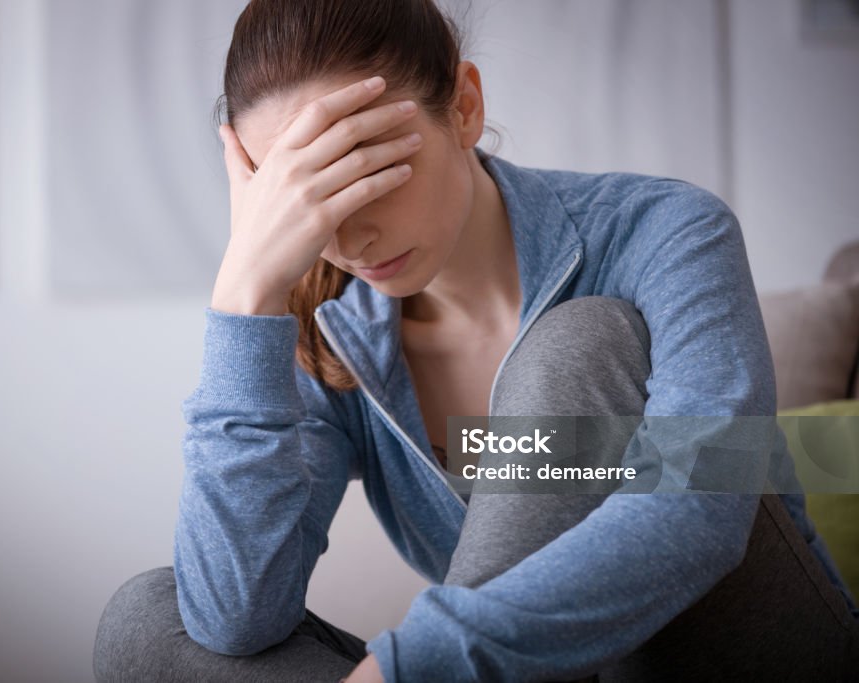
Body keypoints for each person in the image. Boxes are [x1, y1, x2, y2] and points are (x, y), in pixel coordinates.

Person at [93, 1, 859, 681]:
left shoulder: (668, 230)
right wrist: (244, 299)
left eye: (372, 170)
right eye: (309, 195)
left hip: (745, 652)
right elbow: (236, 615)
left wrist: (413, 665)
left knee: (578, 342)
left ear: (463, 106)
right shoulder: (329, 326)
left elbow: (702, 508)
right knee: (148, 622)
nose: (350, 233)